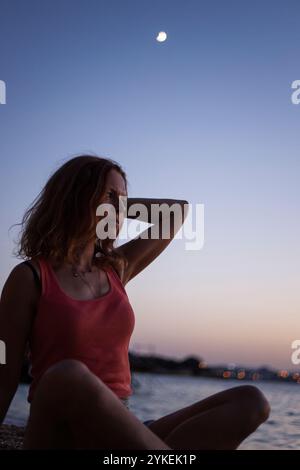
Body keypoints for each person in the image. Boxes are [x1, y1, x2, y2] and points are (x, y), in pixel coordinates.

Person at [0, 155, 270, 449]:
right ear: (76, 196)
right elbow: (4, 370)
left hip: (121, 428)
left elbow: (176, 212)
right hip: (62, 431)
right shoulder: (30, 277)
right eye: (110, 196)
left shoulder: (116, 269)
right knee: (68, 375)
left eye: (124, 200)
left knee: (250, 401)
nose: (120, 208)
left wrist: (117, 205)